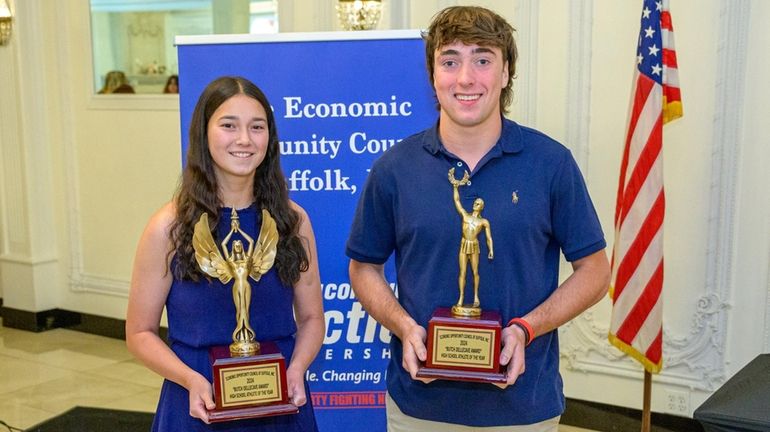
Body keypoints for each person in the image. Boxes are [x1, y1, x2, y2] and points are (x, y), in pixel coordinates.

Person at [346, 6, 610, 431]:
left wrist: (526, 329)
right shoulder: (393, 168)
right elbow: (363, 268)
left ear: (506, 73)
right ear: (433, 75)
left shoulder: (551, 163)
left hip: (524, 408)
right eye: (450, 61)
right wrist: (405, 328)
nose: (465, 78)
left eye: (482, 59)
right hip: (419, 408)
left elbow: (595, 272)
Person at [126, 76, 324, 431]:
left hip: (277, 402)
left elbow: (312, 319)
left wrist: (296, 369)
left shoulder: (293, 221)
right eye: (229, 125)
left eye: (257, 127)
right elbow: (139, 332)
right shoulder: (168, 227)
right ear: (204, 134)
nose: (245, 139)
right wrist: (190, 379)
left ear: (270, 137)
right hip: (197, 402)